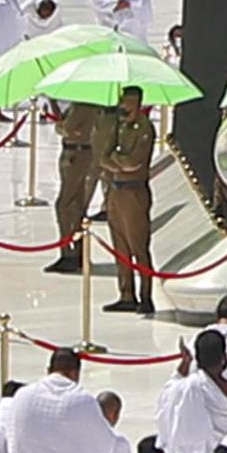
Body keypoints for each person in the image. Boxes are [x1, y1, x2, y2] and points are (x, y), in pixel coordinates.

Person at [96, 87, 161, 313]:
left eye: (128, 101)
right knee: (120, 246)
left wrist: (116, 161)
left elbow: (134, 162)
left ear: (138, 102)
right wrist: (116, 161)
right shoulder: (119, 126)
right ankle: (126, 294)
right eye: (122, 101)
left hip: (134, 193)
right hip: (116, 191)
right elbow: (102, 157)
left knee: (138, 245)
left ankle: (146, 295)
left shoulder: (144, 128)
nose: (123, 106)